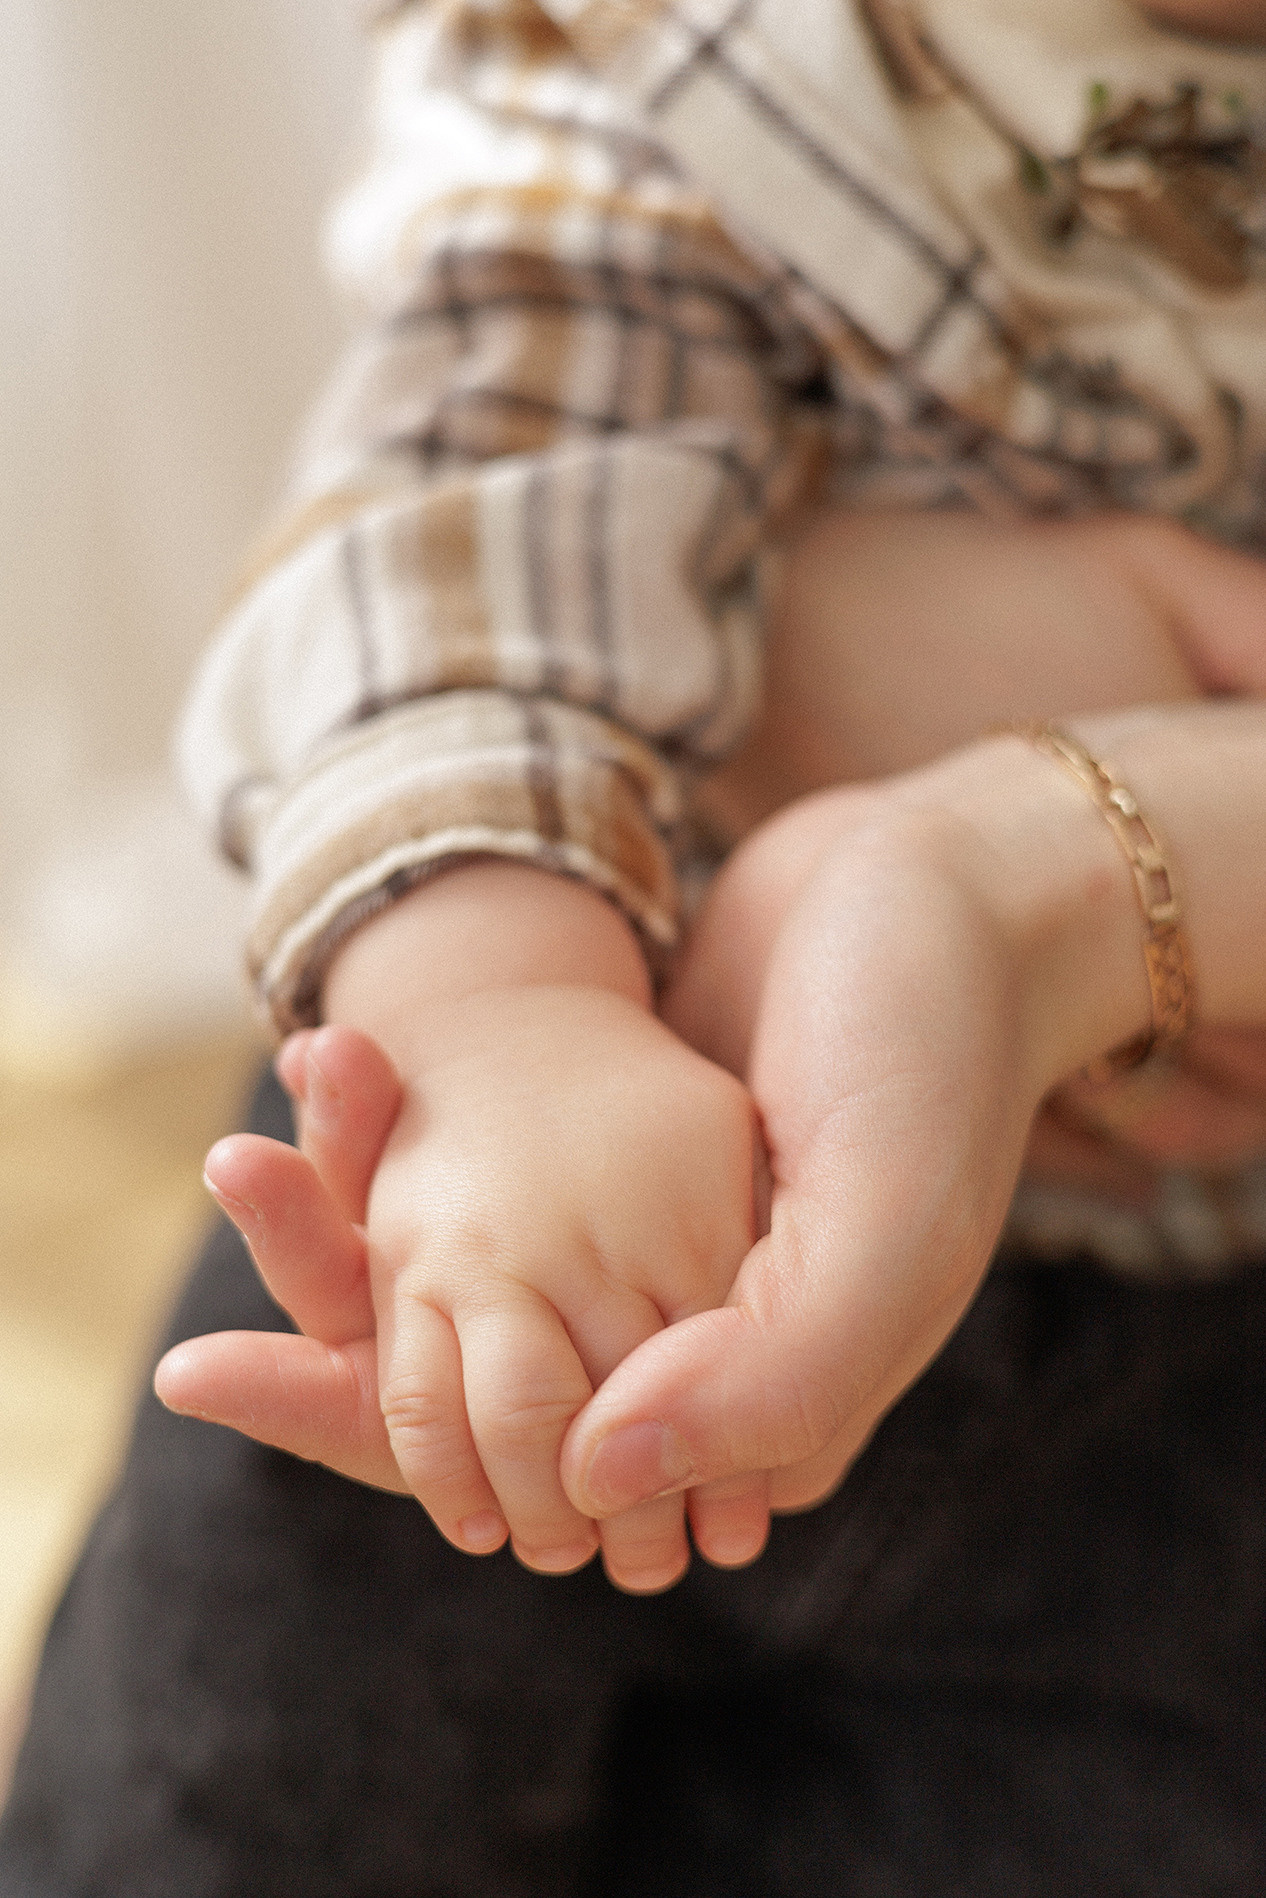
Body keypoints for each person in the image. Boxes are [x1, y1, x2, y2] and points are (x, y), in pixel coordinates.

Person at [4, 1, 1266, 1889]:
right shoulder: (711, 52)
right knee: (201, 1813)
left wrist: (1079, 870)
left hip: (1188, 1393)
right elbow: (475, 497)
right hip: (527, 1165)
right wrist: (494, 1013)